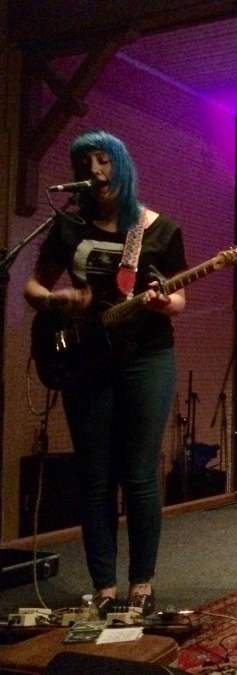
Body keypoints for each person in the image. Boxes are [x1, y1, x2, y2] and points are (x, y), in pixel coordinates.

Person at [24, 130, 187, 616]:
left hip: (146, 356)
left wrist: (163, 303)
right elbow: (33, 286)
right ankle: (104, 587)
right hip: (84, 358)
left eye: (103, 161)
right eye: (85, 164)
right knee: (94, 475)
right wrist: (59, 299)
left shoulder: (158, 230)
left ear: (121, 165)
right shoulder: (67, 228)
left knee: (138, 473)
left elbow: (180, 299)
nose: (95, 172)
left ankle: (141, 584)